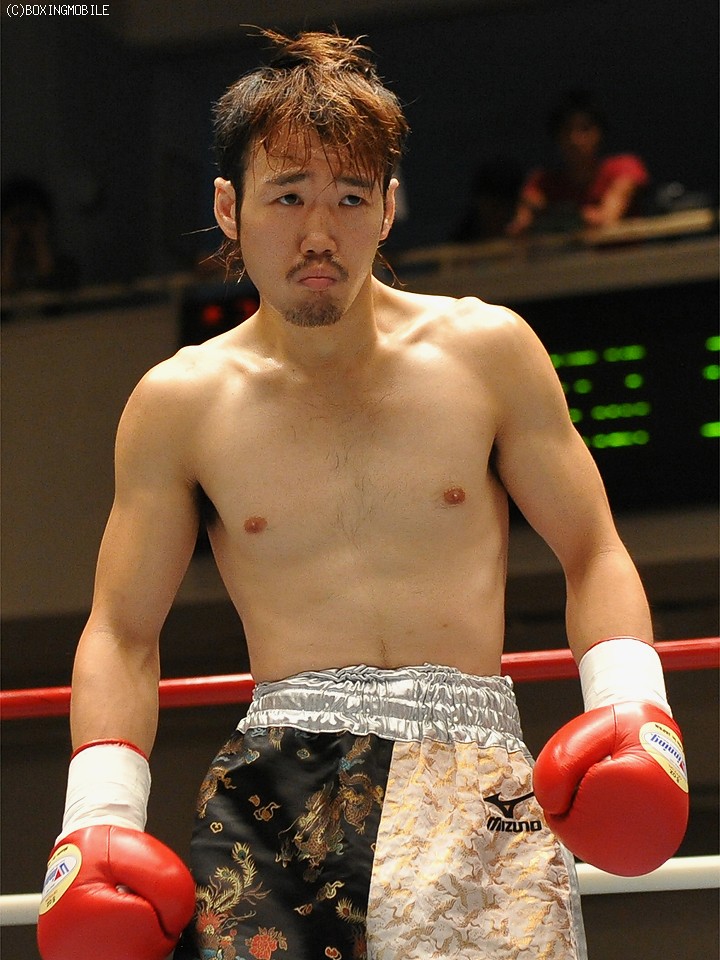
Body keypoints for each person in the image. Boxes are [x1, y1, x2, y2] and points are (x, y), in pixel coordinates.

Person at [37, 31, 688, 960]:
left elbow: (595, 549)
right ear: (228, 208)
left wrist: (633, 710)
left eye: (349, 197)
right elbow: (121, 631)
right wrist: (96, 820)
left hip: (477, 783)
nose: (319, 233)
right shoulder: (180, 404)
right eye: (288, 196)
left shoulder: (488, 352)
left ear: (387, 208)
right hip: (275, 799)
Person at [507, 89, 650, 236]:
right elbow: (520, 226)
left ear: (599, 132)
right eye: (567, 130)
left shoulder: (624, 167)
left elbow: (607, 219)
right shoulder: (542, 183)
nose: (575, 139)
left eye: (584, 129)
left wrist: (554, 215)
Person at [1, 178, 79, 294]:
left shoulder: (65, 266)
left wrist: (40, 242)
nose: (25, 227)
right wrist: (10, 248)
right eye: (16, 220)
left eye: (32, 219)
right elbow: (4, 287)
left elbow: (55, 288)